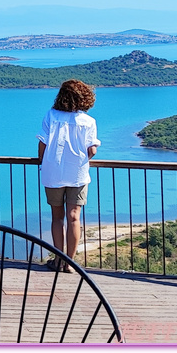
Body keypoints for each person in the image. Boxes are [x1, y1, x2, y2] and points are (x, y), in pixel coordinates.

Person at [37, 79, 100, 272]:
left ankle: (57, 260)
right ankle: (70, 263)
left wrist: (43, 162)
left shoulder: (51, 116)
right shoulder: (88, 122)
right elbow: (93, 150)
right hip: (78, 174)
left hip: (53, 172)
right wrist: (83, 158)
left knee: (57, 217)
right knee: (74, 218)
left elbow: (43, 144)